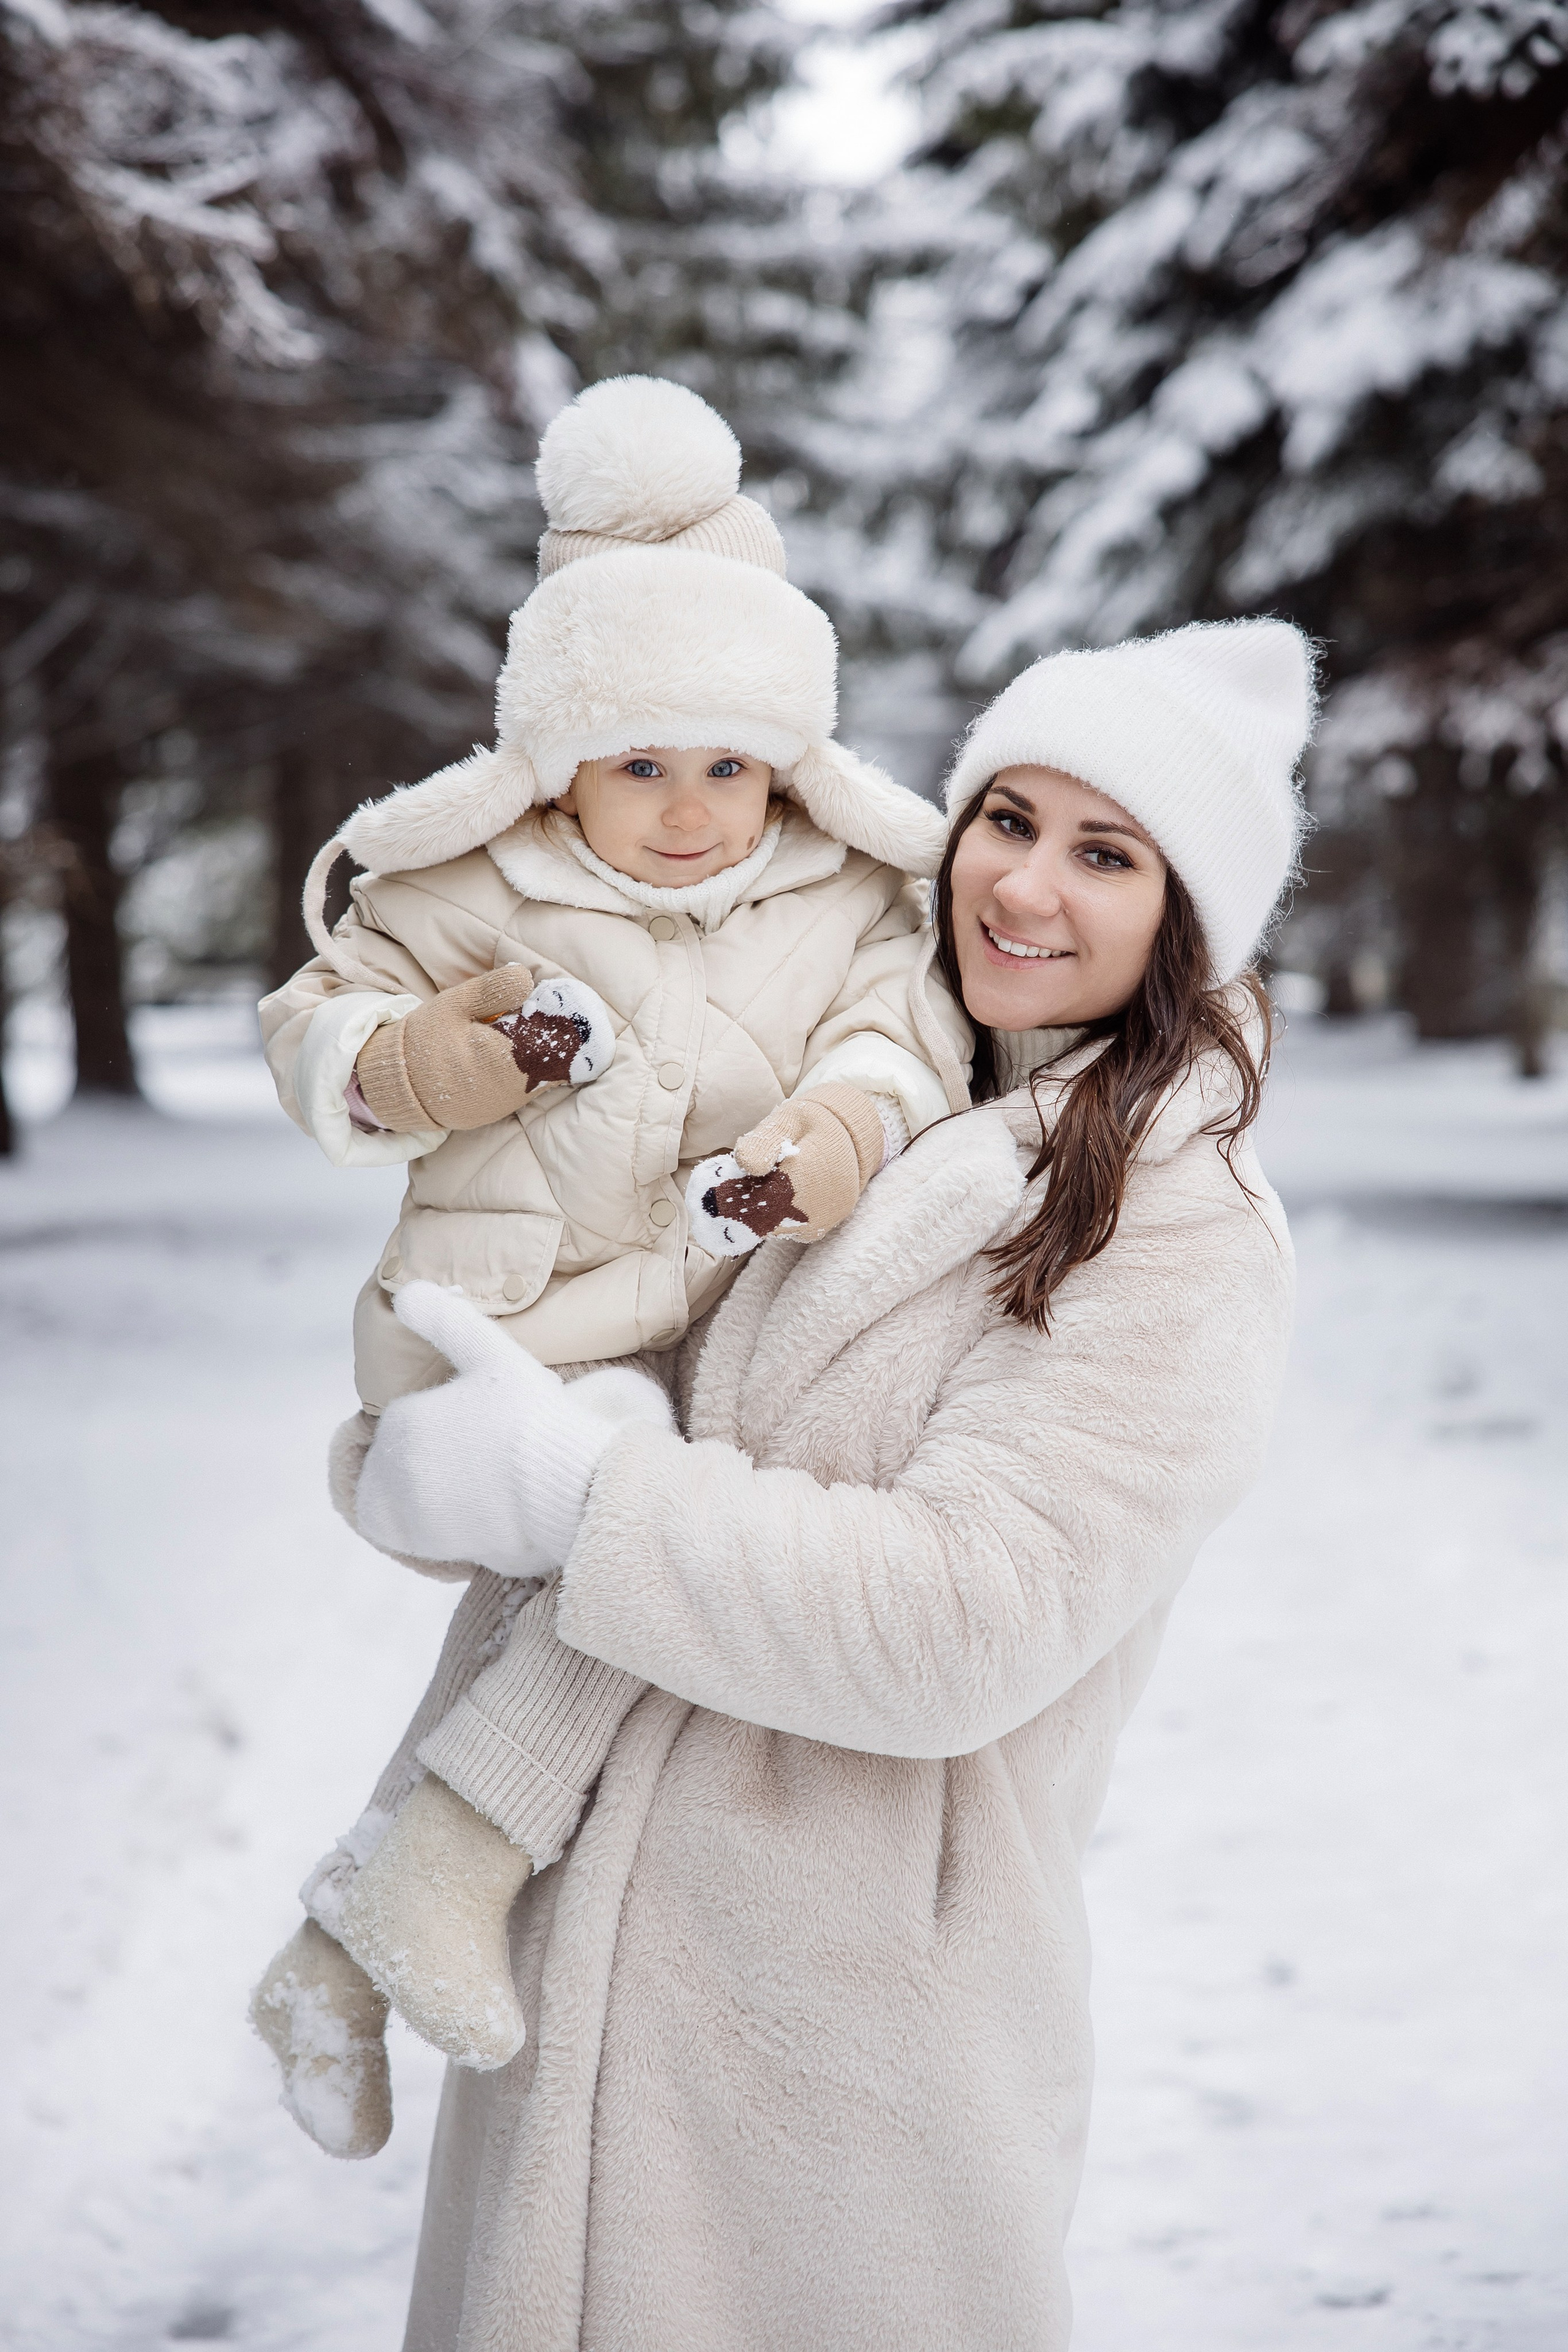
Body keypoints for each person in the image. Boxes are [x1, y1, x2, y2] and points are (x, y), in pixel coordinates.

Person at [325, 616, 1312, 2351]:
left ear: (1186, 921)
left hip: (843, 2053)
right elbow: (641, 1358)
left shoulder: (1177, 1217)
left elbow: (965, 1621)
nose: (1026, 886)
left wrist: (576, 1497)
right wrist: (451, 1442)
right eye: (1007, 818)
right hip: (616, 1968)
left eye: (1106, 854)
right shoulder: (886, 1104)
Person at [249, 375, 969, 2155]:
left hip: (702, 1346)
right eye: (641, 761)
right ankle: (435, 1873)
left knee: (614, 1578)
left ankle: (342, 1943)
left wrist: (837, 1135)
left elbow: (902, 1037)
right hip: (496, 1343)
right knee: (643, 1529)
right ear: (558, 753)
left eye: (729, 763)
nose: (688, 808)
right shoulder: (479, 881)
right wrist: (418, 1061)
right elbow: (317, 1018)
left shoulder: (837, 897)